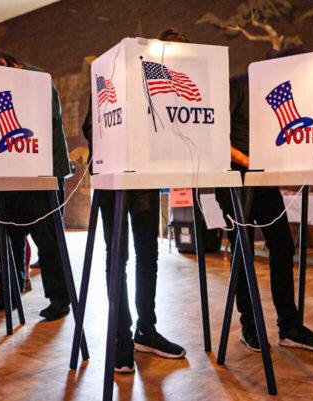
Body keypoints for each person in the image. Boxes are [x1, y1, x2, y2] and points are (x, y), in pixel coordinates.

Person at [80, 29, 189, 374]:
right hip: (114, 179)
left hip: (145, 179)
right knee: (118, 259)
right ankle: (120, 340)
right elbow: (90, 125)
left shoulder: (168, 84)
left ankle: (146, 330)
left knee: (148, 254)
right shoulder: (122, 70)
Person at [215, 46, 313, 352]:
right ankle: (249, 326)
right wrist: (247, 160)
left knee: (282, 245)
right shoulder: (238, 85)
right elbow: (214, 135)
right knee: (243, 251)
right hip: (233, 180)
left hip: (263, 181)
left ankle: (289, 328)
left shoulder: (281, 91)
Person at [0, 47, 73, 321]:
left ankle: (60, 297)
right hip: (8, 171)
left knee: (48, 239)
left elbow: (46, 120)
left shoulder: (35, 77)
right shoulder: (4, 84)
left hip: (41, 171)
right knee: (6, 234)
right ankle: (10, 292)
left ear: (5, 63)